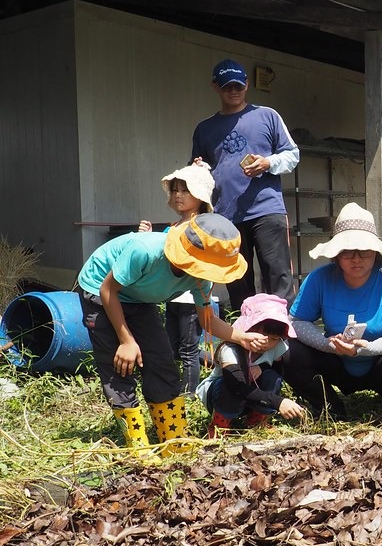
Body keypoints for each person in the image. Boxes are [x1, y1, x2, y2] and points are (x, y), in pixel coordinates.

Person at [78, 210, 268, 459]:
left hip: (139, 299)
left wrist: (240, 336)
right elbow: (108, 290)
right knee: (120, 366)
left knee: (161, 362)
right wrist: (126, 340)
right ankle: (137, 446)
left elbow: (207, 320)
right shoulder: (145, 250)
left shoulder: (201, 279)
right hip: (101, 292)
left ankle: (174, 438)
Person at [283, 202, 382, 422]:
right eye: (348, 251)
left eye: (364, 251)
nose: (356, 258)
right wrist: (328, 345)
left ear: (376, 252)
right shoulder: (319, 278)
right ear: (337, 253)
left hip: (380, 361)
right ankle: (330, 408)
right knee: (288, 350)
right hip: (335, 361)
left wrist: (369, 348)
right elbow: (296, 321)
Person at [191, 58, 300, 312]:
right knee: (237, 280)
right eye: (227, 86)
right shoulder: (204, 129)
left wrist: (268, 162)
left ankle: (285, 336)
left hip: (267, 209)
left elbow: (292, 155)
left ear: (247, 84)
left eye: (239, 85)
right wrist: (198, 168)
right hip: (226, 216)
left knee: (278, 276)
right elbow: (198, 176)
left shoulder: (267, 115)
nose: (234, 91)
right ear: (215, 87)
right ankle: (243, 338)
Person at [138, 163, 214, 396]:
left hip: (192, 296)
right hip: (171, 295)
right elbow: (161, 256)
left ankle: (190, 394)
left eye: (185, 190)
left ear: (200, 196)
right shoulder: (173, 226)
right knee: (173, 347)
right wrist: (146, 238)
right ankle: (176, 389)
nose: (178, 195)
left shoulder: (203, 226)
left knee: (189, 348)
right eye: (175, 190)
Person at [196, 293, 305, 437]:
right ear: (247, 328)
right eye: (263, 336)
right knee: (227, 388)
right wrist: (278, 402)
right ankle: (220, 426)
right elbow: (237, 387)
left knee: (272, 377)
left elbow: (278, 369)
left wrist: (262, 367)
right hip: (223, 396)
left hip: (252, 397)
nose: (267, 343)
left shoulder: (275, 347)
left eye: (274, 339)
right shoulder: (230, 350)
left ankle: (257, 420)